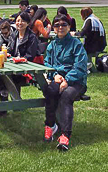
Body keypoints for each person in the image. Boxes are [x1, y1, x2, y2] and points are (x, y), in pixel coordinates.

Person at [42, 14, 89, 151]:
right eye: (57, 25)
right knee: (50, 90)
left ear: (69, 27)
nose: (60, 27)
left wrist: (67, 80)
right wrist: (55, 75)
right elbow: (47, 64)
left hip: (77, 81)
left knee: (66, 96)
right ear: (54, 28)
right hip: (58, 78)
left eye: (63, 25)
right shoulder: (52, 45)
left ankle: (65, 135)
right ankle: (50, 125)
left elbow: (80, 67)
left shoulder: (76, 44)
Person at [0, 12, 39, 117]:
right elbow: (10, 50)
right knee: (2, 75)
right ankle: (8, 107)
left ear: (28, 23)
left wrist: (19, 59)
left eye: (22, 21)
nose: (19, 23)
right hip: (14, 66)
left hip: (27, 69)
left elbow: (29, 56)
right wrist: (2, 52)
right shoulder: (14, 34)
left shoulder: (32, 37)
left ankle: (10, 106)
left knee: (4, 77)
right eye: (17, 21)